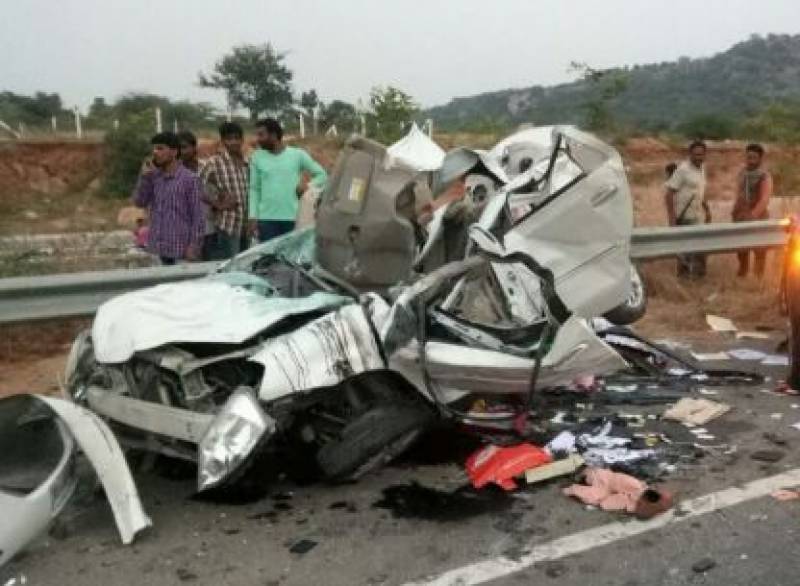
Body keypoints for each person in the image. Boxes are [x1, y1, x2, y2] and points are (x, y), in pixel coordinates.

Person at [248, 118, 327, 242]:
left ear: (273, 135)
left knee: (291, 259)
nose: (257, 139)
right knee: (268, 259)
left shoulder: (297, 155)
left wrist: (307, 186)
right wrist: (252, 216)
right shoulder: (257, 157)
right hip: (266, 220)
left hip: (294, 217)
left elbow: (322, 175)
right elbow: (254, 188)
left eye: (261, 135)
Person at [132, 131, 204, 265]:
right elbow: (139, 202)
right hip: (157, 249)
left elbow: (198, 217)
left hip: (180, 251)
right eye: (154, 148)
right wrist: (145, 177)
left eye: (160, 148)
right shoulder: (153, 177)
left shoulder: (190, 179)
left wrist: (193, 246)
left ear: (174, 152)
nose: (155, 152)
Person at [200, 122, 249, 259]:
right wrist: (217, 204)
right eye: (229, 139)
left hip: (246, 225)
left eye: (236, 138)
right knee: (231, 265)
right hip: (228, 224)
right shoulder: (214, 163)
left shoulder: (248, 162)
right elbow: (195, 188)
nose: (233, 142)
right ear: (223, 141)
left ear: (242, 139)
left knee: (245, 265)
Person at [664, 140, 711, 279]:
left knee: (701, 249)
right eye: (696, 154)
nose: (699, 157)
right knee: (685, 251)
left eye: (701, 154)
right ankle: (684, 279)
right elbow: (669, 194)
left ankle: (698, 279)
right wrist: (671, 219)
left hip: (697, 215)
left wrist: (707, 210)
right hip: (684, 217)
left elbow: (699, 191)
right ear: (690, 154)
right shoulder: (683, 170)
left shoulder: (702, 168)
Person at [733, 143, 773, 278]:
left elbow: (764, 199)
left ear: (760, 158)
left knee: (760, 250)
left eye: (754, 157)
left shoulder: (764, 176)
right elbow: (738, 192)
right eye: (748, 157)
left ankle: (758, 279)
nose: (750, 160)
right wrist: (738, 211)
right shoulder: (742, 172)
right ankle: (742, 274)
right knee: (741, 249)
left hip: (758, 217)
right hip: (741, 215)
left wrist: (752, 216)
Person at [177, 130, 217, 259]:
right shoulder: (173, 172)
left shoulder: (208, 168)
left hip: (208, 228)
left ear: (194, 147)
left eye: (184, 147)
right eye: (178, 148)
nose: (182, 152)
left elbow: (216, 196)